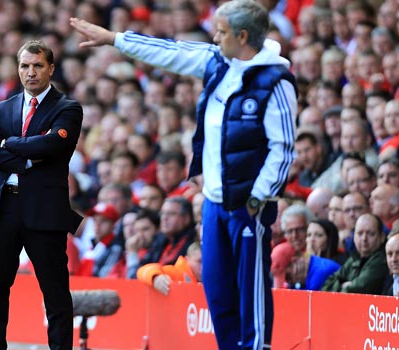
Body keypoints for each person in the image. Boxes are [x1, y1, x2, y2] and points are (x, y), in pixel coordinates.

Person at [70, 0, 298, 347]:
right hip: (214, 202)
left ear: (242, 35)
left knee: (250, 290)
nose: (214, 36)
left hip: (248, 204)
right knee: (218, 290)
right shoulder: (218, 61)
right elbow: (170, 52)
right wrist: (115, 39)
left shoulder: (276, 81)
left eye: (221, 32)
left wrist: (258, 195)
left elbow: (283, 148)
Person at [0, 40, 83, 350]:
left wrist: (9, 144)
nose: (31, 72)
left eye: (38, 65)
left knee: (55, 292)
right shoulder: (4, 107)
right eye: (25, 66)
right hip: (2, 208)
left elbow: (51, 146)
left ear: (50, 68)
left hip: (44, 211)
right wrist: (26, 157)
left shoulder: (68, 108)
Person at [322, 213, 389, 295]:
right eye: (360, 233)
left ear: (382, 237)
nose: (364, 239)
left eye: (370, 234)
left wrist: (343, 286)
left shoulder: (382, 260)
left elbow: (356, 290)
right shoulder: (354, 258)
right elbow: (326, 287)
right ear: (353, 236)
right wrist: (344, 285)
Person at [137, 241, 202, 295]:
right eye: (200, 261)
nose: (203, 267)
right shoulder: (175, 273)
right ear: (187, 259)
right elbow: (142, 270)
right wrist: (156, 277)